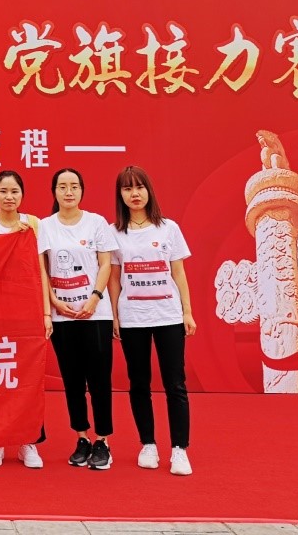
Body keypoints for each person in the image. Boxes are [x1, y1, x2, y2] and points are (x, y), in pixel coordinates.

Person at [108, 165, 195, 476]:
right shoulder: (114, 232)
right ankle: (148, 444)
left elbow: (178, 272)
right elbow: (114, 278)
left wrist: (186, 311)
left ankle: (179, 449)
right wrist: (115, 316)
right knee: (139, 382)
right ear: (120, 195)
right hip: (133, 317)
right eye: (127, 188)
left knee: (175, 383)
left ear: (149, 191)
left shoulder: (168, 228)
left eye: (140, 187)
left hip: (167, 315)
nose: (135, 194)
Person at [38, 167, 117, 470]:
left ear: (82, 190)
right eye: (62, 186)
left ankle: (103, 440)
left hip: (95, 314)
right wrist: (54, 301)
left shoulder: (96, 223)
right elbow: (42, 269)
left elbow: (106, 264)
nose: (68, 192)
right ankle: (82, 437)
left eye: (74, 186)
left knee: (99, 380)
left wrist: (95, 297)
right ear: (54, 192)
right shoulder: (45, 226)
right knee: (72, 380)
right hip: (62, 317)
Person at [0, 169, 51, 469]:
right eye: (3, 191)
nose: (9, 197)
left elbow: (41, 271)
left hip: (26, 311)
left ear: (22, 195)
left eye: (14, 191)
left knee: (27, 378)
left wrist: (45, 313)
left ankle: (28, 441)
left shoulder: (34, 224)